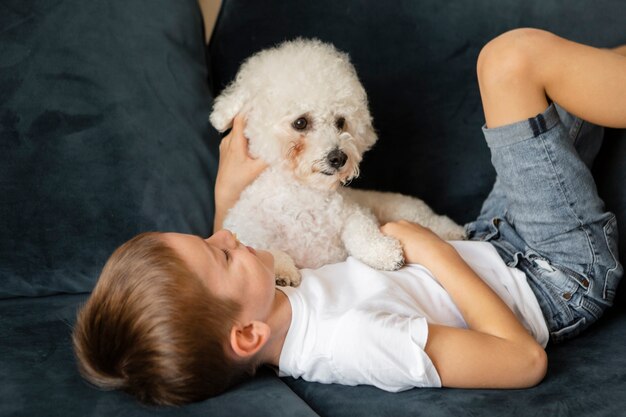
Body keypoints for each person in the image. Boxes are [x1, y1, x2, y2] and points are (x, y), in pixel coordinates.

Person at [72, 29, 625, 405]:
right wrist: (432, 249)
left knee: (578, 85)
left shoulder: (272, 301)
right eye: (219, 251)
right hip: (552, 279)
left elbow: (235, 244)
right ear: (247, 335)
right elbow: (521, 362)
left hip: (496, 241)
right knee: (510, 61)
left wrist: (226, 189)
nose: (223, 233)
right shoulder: (348, 343)